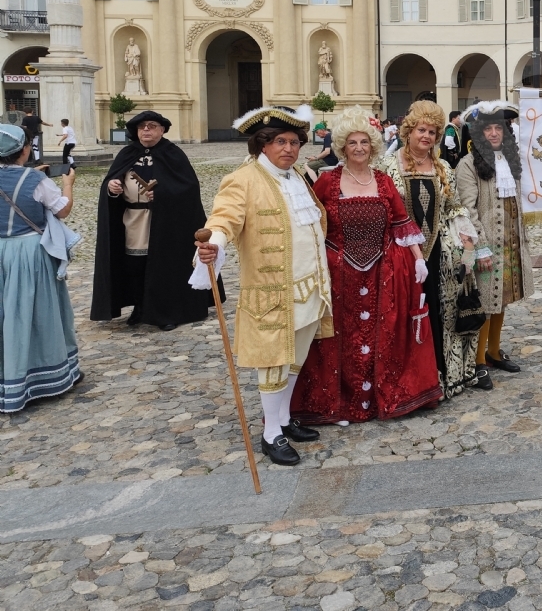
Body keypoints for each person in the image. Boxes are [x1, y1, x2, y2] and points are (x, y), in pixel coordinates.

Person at [194, 105, 334, 467]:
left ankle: (285, 419)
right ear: (262, 145)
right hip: (274, 290)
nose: (289, 148)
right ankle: (271, 432)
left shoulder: (299, 175)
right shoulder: (244, 178)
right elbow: (225, 217)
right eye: (279, 142)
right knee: (273, 362)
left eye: (294, 142)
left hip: (310, 287)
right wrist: (217, 243)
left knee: (295, 358)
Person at [292, 107, 442, 424]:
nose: (359, 148)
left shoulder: (384, 182)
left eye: (364, 143)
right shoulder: (328, 182)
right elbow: (312, 226)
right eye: (352, 143)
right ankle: (341, 403)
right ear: (342, 147)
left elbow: (401, 224)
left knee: (379, 337)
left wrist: (418, 260)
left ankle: (377, 399)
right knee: (339, 341)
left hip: (383, 273)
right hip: (339, 274)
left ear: (373, 146)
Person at [381, 100, 482, 397]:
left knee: (439, 312)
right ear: (409, 131)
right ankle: (410, 382)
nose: (426, 136)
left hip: (439, 253)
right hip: (400, 254)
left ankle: (441, 374)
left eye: (432, 132)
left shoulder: (443, 168)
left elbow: (454, 209)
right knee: (405, 314)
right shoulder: (389, 167)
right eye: (421, 130)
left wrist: (468, 247)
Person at [92, 110, 220, 330]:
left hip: (165, 223)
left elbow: (187, 189)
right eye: (142, 127)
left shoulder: (173, 154)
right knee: (135, 265)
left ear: (162, 130)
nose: (146, 130)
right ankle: (140, 308)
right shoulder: (127, 154)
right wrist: (112, 187)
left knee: (163, 267)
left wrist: (161, 195)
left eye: (152, 126)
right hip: (133, 220)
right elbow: (113, 181)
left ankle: (165, 311)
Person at [0, 124, 80, 413]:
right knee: (32, 311)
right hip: (27, 251)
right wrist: (68, 184)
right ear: (24, 150)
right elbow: (62, 211)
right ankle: (42, 375)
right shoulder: (35, 179)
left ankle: (5, 377)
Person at [456, 101, 533, 388]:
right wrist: (481, 246)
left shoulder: (511, 161)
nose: (493, 133)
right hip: (486, 244)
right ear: (477, 133)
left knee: (502, 299)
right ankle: (477, 361)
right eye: (486, 128)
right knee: (485, 302)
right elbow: (467, 209)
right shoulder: (468, 165)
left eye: (497, 128)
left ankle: (493, 350)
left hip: (510, 241)